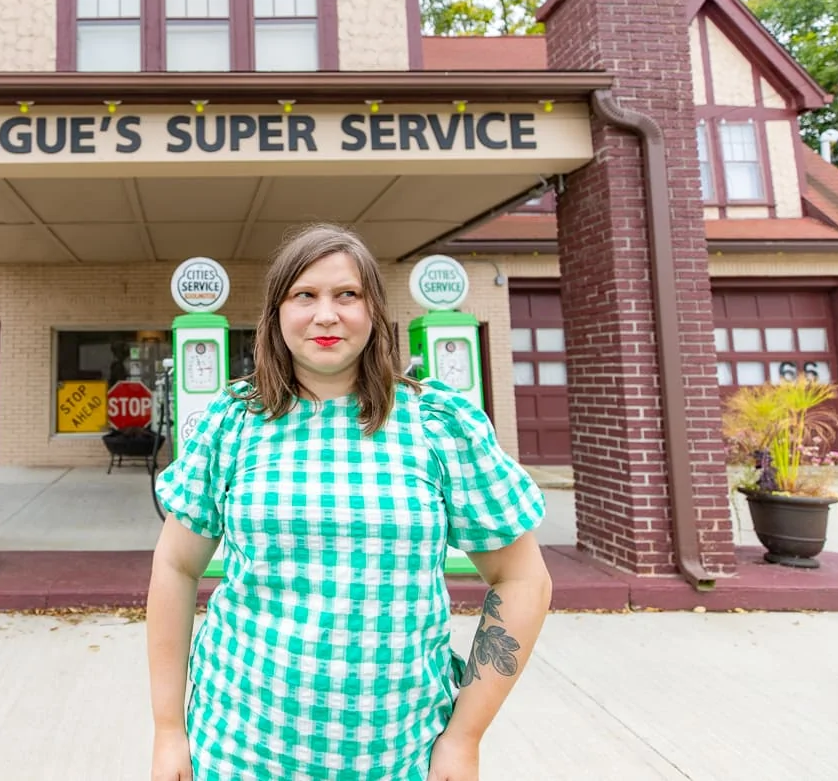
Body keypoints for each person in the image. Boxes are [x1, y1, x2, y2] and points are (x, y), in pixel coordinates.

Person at [147, 223, 552, 781]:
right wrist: (169, 731)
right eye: (304, 295)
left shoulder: (439, 424)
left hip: (399, 754)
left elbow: (523, 579)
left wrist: (464, 737)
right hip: (238, 749)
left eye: (347, 295)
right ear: (276, 313)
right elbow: (176, 566)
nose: (326, 315)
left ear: (374, 311)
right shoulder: (232, 422)